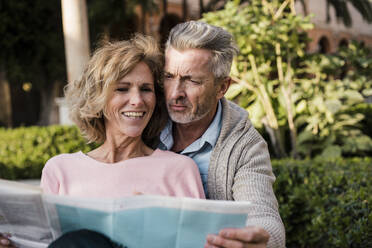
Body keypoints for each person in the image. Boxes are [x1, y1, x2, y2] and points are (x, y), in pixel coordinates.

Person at [0, 34, 204, 248]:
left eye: (146, 89)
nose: (137, 100)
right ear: (98, 98)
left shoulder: (179, 170)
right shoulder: (60, 169)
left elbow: (200, 241)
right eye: (122, 89)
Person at [158, 21, 285, 248]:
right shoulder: (145, 118)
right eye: (168, 76)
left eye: (192, 81)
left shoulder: (245, 146)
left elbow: (264, 215)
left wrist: (262, 241)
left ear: (222, 87)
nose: (175, 93)